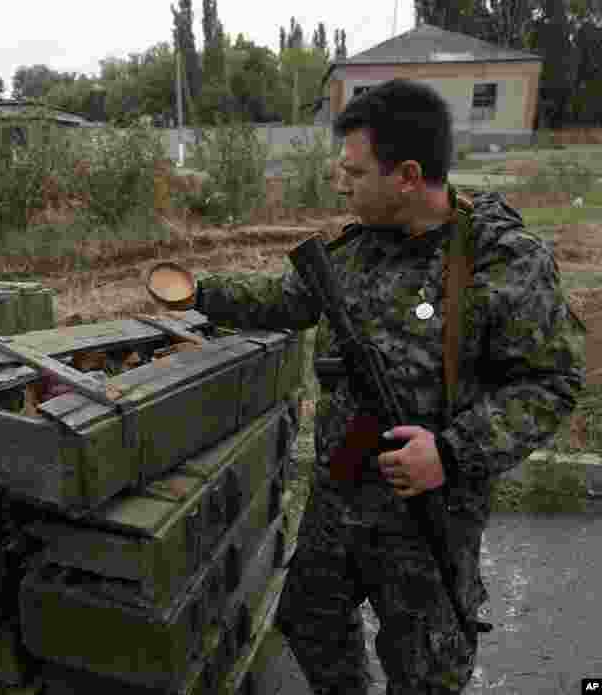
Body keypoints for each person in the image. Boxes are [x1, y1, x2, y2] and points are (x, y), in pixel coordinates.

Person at [185, 79, 586, 693]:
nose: (339, 183)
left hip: (427, 517)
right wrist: (198, 292)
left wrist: (449, 451)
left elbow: (551, 383)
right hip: (339, 494)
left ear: (407, 175)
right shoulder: (356, 249)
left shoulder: (501, 260)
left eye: (353, 171)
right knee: (309, 621)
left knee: (424, 669)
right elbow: (288, 298)